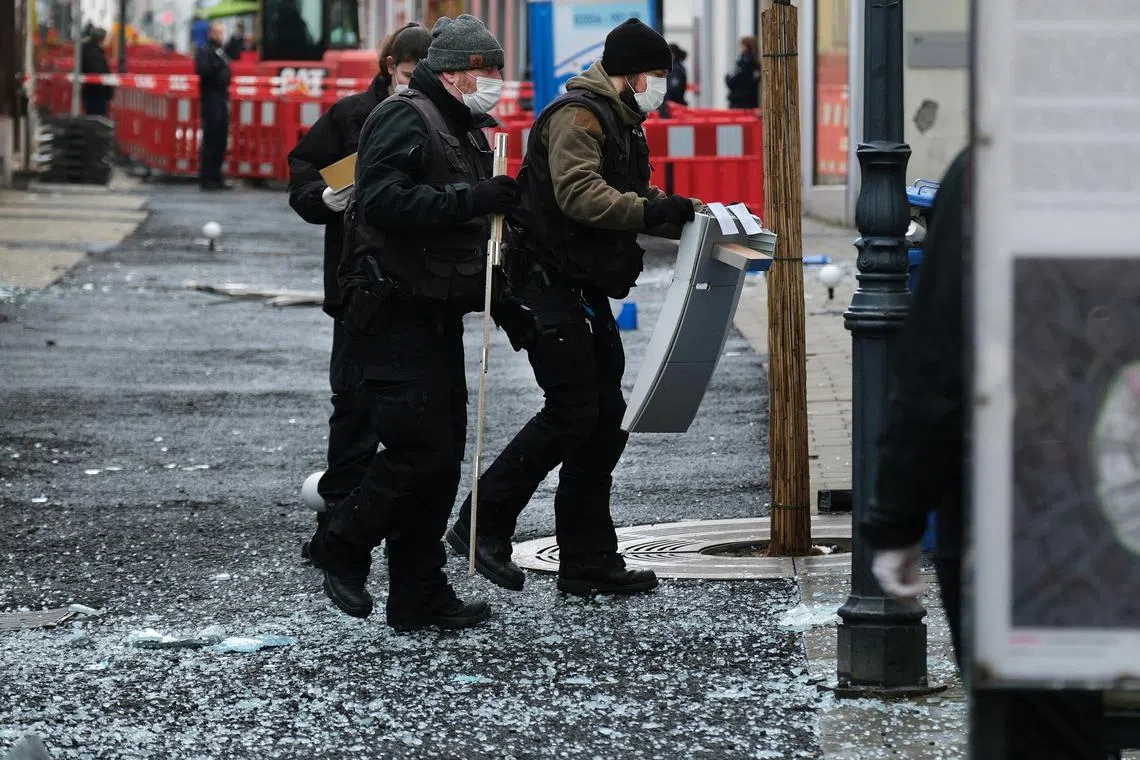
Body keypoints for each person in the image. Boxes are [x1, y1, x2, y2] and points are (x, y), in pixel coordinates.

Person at [865, 149, 1111, 759]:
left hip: (1029, 507)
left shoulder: (1000, 163)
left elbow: (942, 360)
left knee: (1039, 728)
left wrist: (896, 516)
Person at [445, 17, 701, 596]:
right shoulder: (579, 115)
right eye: (657, 75)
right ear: (631, 74)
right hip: (544, 281)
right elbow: (580, 193)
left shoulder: (622, 119)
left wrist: (670, 205)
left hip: (578, 282)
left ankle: (587, 560)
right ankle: (481, 524)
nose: (662, 85)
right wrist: (649, 212)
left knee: (603, 416)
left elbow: (616, 187)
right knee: (575, 407)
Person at [307, 14, 527, 632]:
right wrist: (473, 200)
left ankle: (418, 592)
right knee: (418, 452)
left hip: (431, 311)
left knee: (441, 455)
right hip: (391, 311)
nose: (497, 84)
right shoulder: (407, 115)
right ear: (456, 74)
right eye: (489, 72)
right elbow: (380, 201)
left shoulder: (456, 124)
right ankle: (343, 542)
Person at [287, 22, 433, 562]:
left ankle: (381, 526)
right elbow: (301, 170)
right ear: (389, 67)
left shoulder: (439, 119)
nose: (413, 84)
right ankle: (335, 532)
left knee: (409, 415)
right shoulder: (351, 116)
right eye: (407, 74)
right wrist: (321, 199)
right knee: (353, 407)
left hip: (416, 282)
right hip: (355, 283)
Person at [195, 22, 232, 191]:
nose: (219, 36)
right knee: (210, 139)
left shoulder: (222, 52)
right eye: (217, 33)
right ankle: (207, 177)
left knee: (221, 140)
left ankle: (217, 177)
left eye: (221, 33)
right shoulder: (205, 51)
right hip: (211, 99)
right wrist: (218, 66)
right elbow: (202, 70)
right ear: (211, 34)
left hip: (222, 98)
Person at [80, 28, 114, 117]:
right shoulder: (94, 53)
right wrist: (105, 92)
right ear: (101, 39)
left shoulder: (90, 50)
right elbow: (98, 73)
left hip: (92, 93)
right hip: (96, 95)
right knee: (97, 119)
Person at [725, 36, 759, 109]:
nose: (740, 48)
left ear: (747, 46)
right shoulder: (753, 62)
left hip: (741, 102)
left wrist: (727, 78)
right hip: (748, 101)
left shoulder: (745, 63)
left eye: (742, 45)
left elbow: (733, 81)